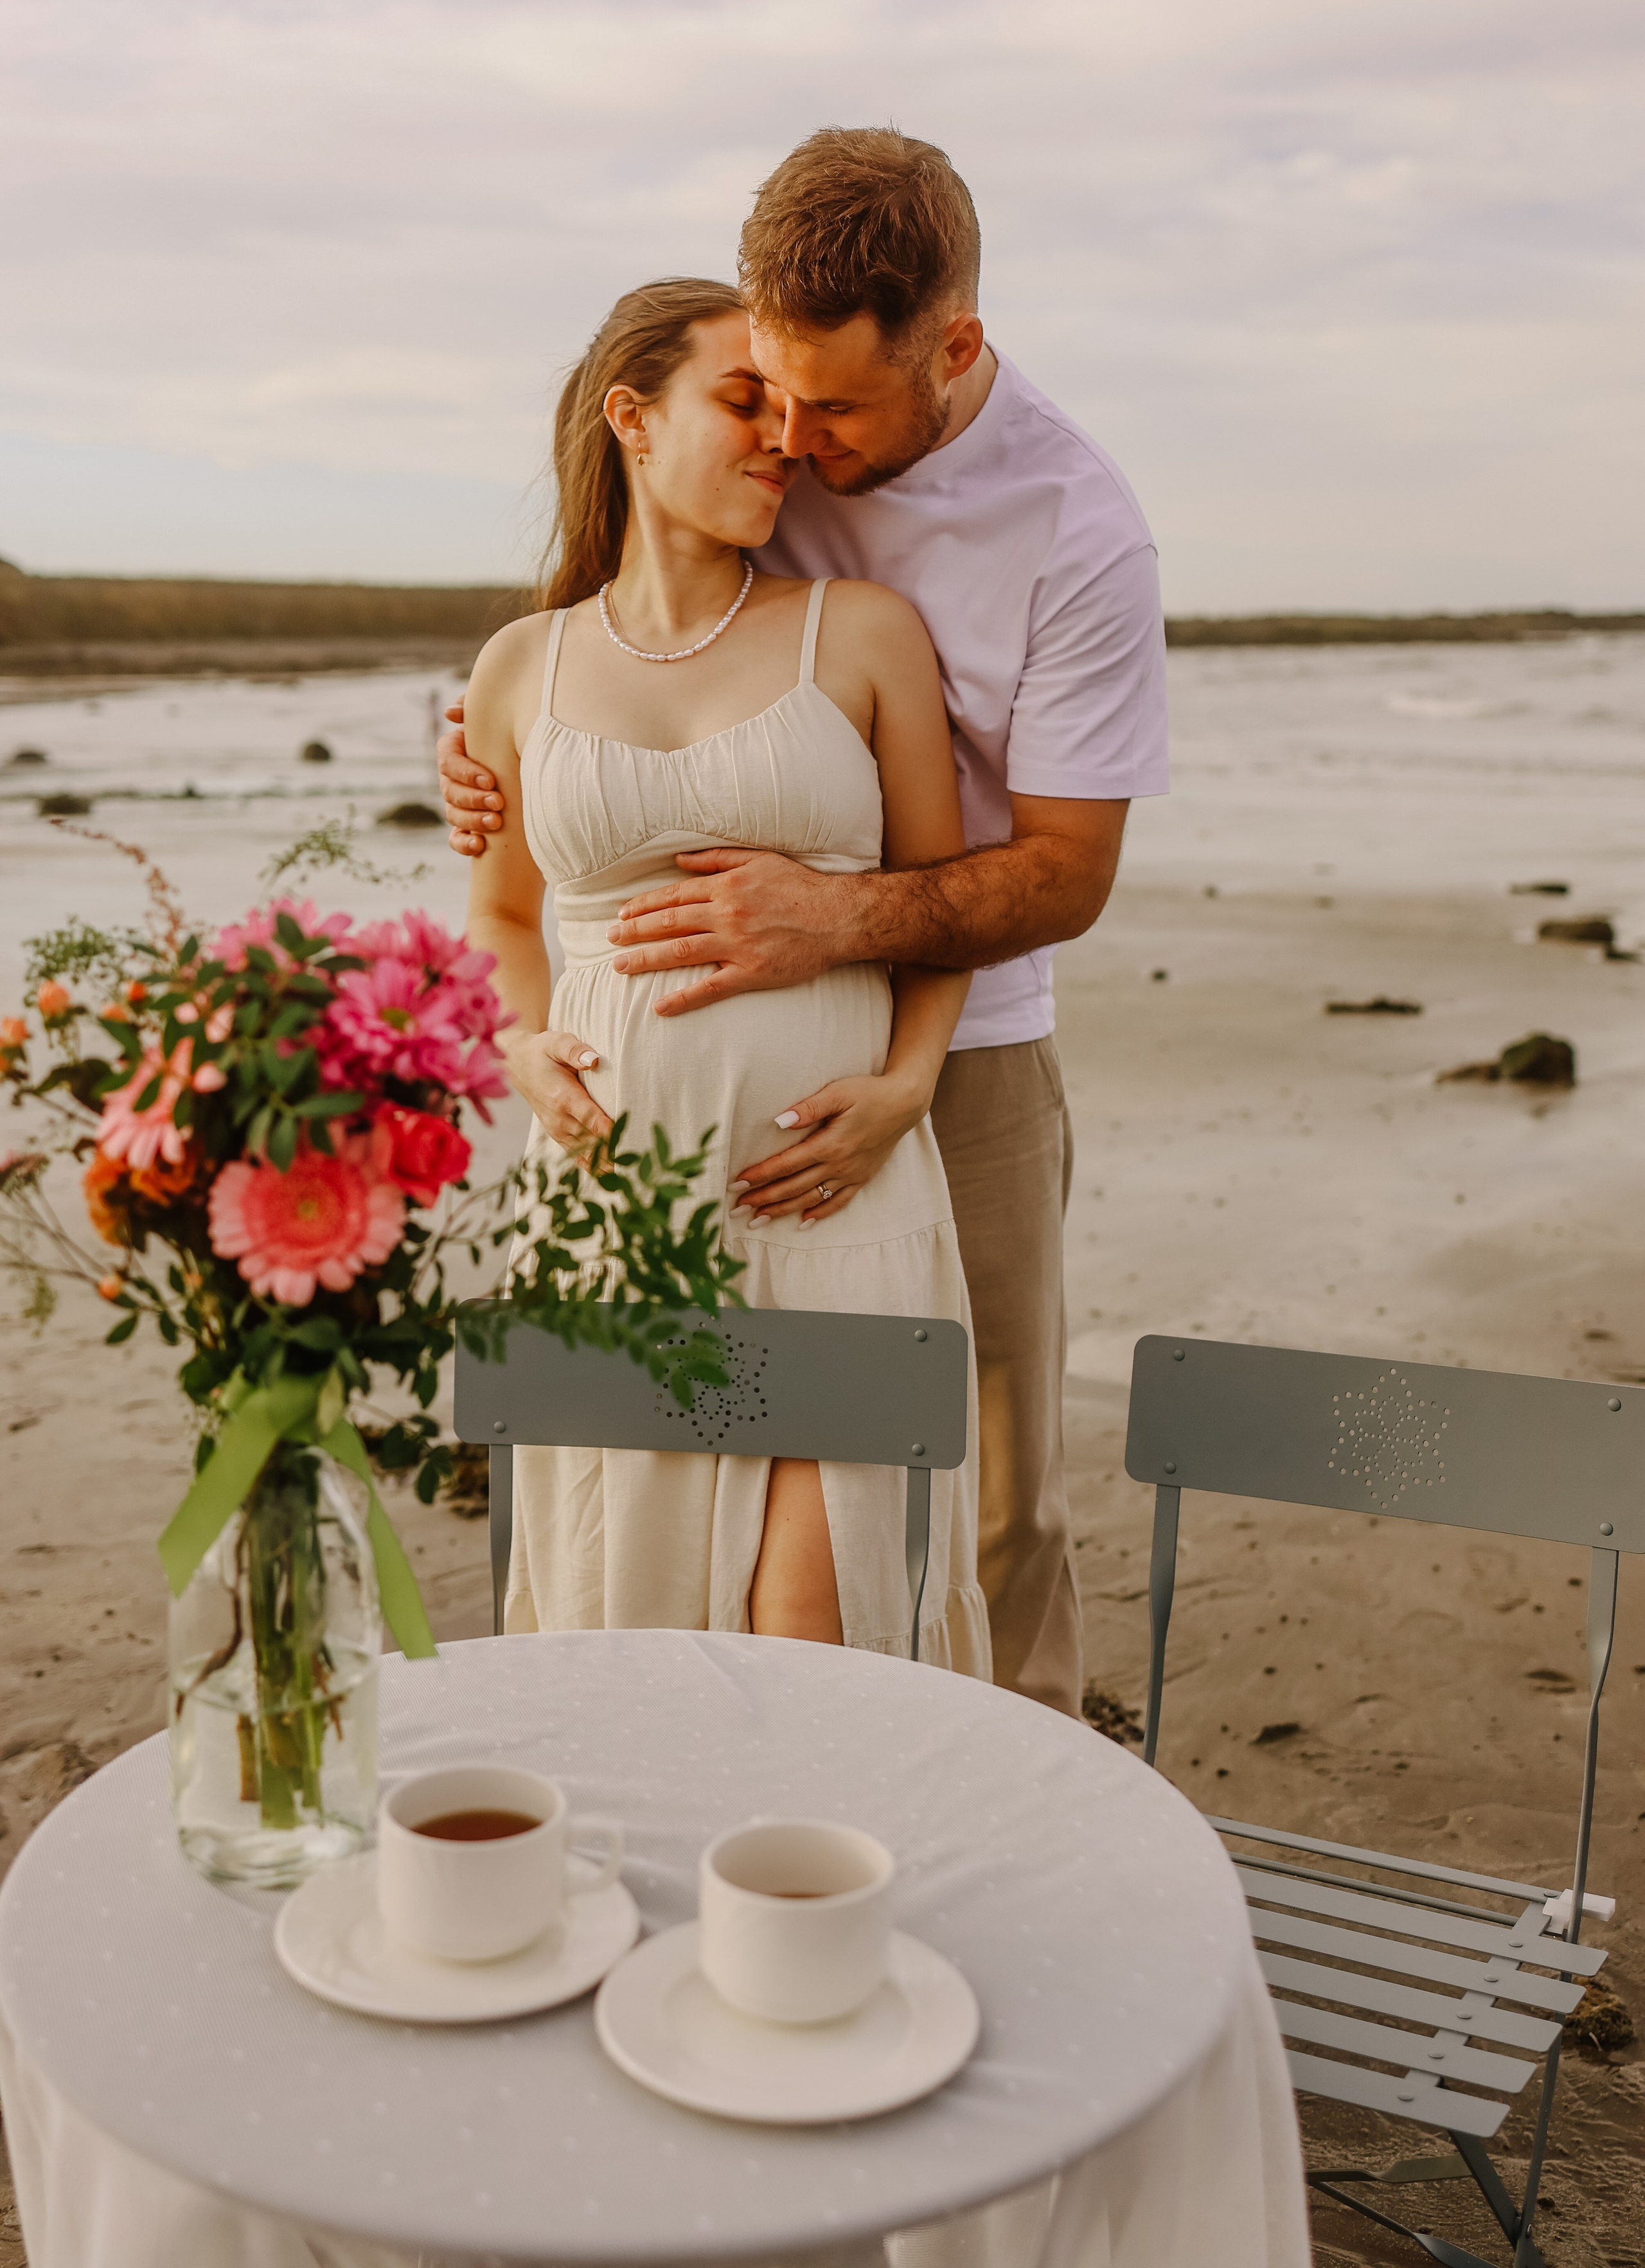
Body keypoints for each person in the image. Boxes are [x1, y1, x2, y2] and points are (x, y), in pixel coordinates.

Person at [442, 129, 1169, 1717]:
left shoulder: (1077, 537)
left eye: (831, 410)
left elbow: (1063, 873)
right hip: (636, 1148)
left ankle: (1013, 1815)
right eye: (766, 396)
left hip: (936, 1073)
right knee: (622, 1524)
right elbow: (606, 641)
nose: (796, 443)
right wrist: (495, 768)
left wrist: (840, 937)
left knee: (981, 1504)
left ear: (952, 349)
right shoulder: (733, 482)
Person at [462, 274, 990, 1675]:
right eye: (742, 401)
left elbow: (940, 909)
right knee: (631, 1624)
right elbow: (505, 916)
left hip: (826, 1191)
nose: (780, 439)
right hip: (612, 1208)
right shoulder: (521, 667)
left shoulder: (862, 633)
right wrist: (521, 1047)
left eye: (791, 411)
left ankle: (829, 1893)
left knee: (817, 1626)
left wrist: (904, 1088)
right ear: (631, 418)